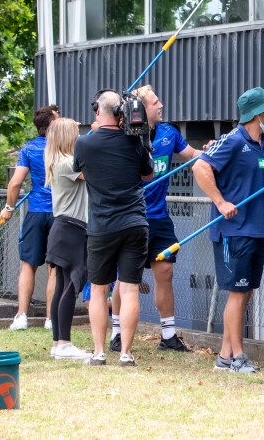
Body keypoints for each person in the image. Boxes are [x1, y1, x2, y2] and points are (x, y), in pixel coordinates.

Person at [192, 87, 264, 374]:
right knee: (237, 293)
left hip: (256, 229)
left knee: (245, 293)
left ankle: (224, 357)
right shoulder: (232, 140)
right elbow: (200, 167)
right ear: (259, 113)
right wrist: (221, 202)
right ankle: (238, 358)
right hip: (233, 231)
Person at [107, 86, 208, 353]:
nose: (161, 105)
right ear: (141, 109)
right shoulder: (125, 135)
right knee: (125, 278)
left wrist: (212, 149)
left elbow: (192, 155)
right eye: (155, 103)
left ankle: (168, 335)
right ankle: (117, 333)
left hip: (159, 217)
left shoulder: (169, 133)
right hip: (131, 216)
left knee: (165, 271)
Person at [73, 89, 154, 366]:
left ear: (98, 111)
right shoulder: (134, 143)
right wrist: (143, 139)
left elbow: (78, 169)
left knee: (98, 289)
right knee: (129, 289)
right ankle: (126, 354)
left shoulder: (84, 144)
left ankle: (98, 353)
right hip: (134, 223)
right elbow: (148, 174)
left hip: (101, 226)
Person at [0, 104, 59, 331]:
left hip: (35, 212)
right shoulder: (65, 146)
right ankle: (51, 320)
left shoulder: (29, 148)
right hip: (59, 213)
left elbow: (15, 182)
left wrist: (9, 207)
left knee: (28, 265)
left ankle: (21, 316)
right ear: (52, 123)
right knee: (55, 267)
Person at [42, 117, 91, 360]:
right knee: (71, 285)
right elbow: (94, 170)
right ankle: (64, 344)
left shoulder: (58, 162)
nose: (79, 136)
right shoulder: (67, 163)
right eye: (76, 132)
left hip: (64, 228)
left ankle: (57, 343)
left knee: (63, 286)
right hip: (71, 229)